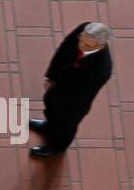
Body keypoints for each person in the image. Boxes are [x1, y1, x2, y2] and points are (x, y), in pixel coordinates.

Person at [29, 22, 114, 158]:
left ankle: (57, 147)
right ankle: (49, 127)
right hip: (59, 87)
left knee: (65, 126)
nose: (80, 45)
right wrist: (51, 76)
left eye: (87, 45)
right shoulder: (85, 28)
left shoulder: (102, 69)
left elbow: (79, 93)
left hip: (73, 104)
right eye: (81, 39)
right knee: (51, 111)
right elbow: (63, 49)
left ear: (100, 45)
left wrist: (56, 93)